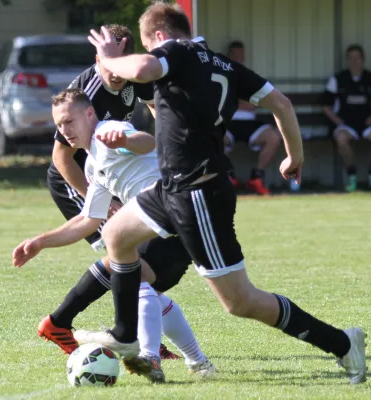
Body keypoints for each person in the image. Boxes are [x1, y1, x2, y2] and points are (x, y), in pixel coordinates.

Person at [84, 2, 367, 385]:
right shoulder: (222, 64)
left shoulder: (176, 51)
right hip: (174, 186)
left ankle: (342, 344)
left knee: (240, 301)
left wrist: (109, 58)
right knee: (116, 235)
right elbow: (281, 104)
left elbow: (142, 68)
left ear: (162, 37)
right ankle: (125, 335)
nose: (154, 53)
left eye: (153, 45)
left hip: (198, 192)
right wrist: (294, 155)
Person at [13, 88, 215, 383]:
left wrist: (125, 140)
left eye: (70, 121)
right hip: (167, 223)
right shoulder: (94, 163)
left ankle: (149, 355)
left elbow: (147, 142)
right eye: (59, 125)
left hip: (174, 213)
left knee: (132, 271)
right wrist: (40, 241)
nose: (65, 130)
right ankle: (198, 363)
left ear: (89, 114)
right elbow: (87, 219)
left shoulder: (108, 132)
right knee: (145, 285)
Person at [45, 23, 179, 361]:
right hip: (76, 178)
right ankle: (68, 325)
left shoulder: (132, 78)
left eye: (123, 62)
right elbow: (61, 158)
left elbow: (155, 111)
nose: (117, 73)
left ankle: (133, 336)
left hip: (108, 178)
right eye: (110, 63)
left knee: (133, 260)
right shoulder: (89, 93)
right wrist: (106, 202)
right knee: (127, 257)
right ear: (99, 57)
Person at [225, 40, 282, 195]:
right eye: (234, 55)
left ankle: (256, 178)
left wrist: (237, 101)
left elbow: (254, 103)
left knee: (274, 137)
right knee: (213, 136)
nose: (237, 59)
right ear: (228, 56)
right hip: (227, 121)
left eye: (240, 56)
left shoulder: (249, 76)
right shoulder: (221, 74)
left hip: (250, 123)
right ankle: (228, 176)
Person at [322, 44, 371, 192]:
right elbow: (325, 106)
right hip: (346, 125)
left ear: (363, 59)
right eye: (351, 58)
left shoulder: (370, 78)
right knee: (341, 138)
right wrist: (338, 121)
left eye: (357, 58)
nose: (354, 61)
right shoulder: (337, 79)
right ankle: (352, 175)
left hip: (367, 124)